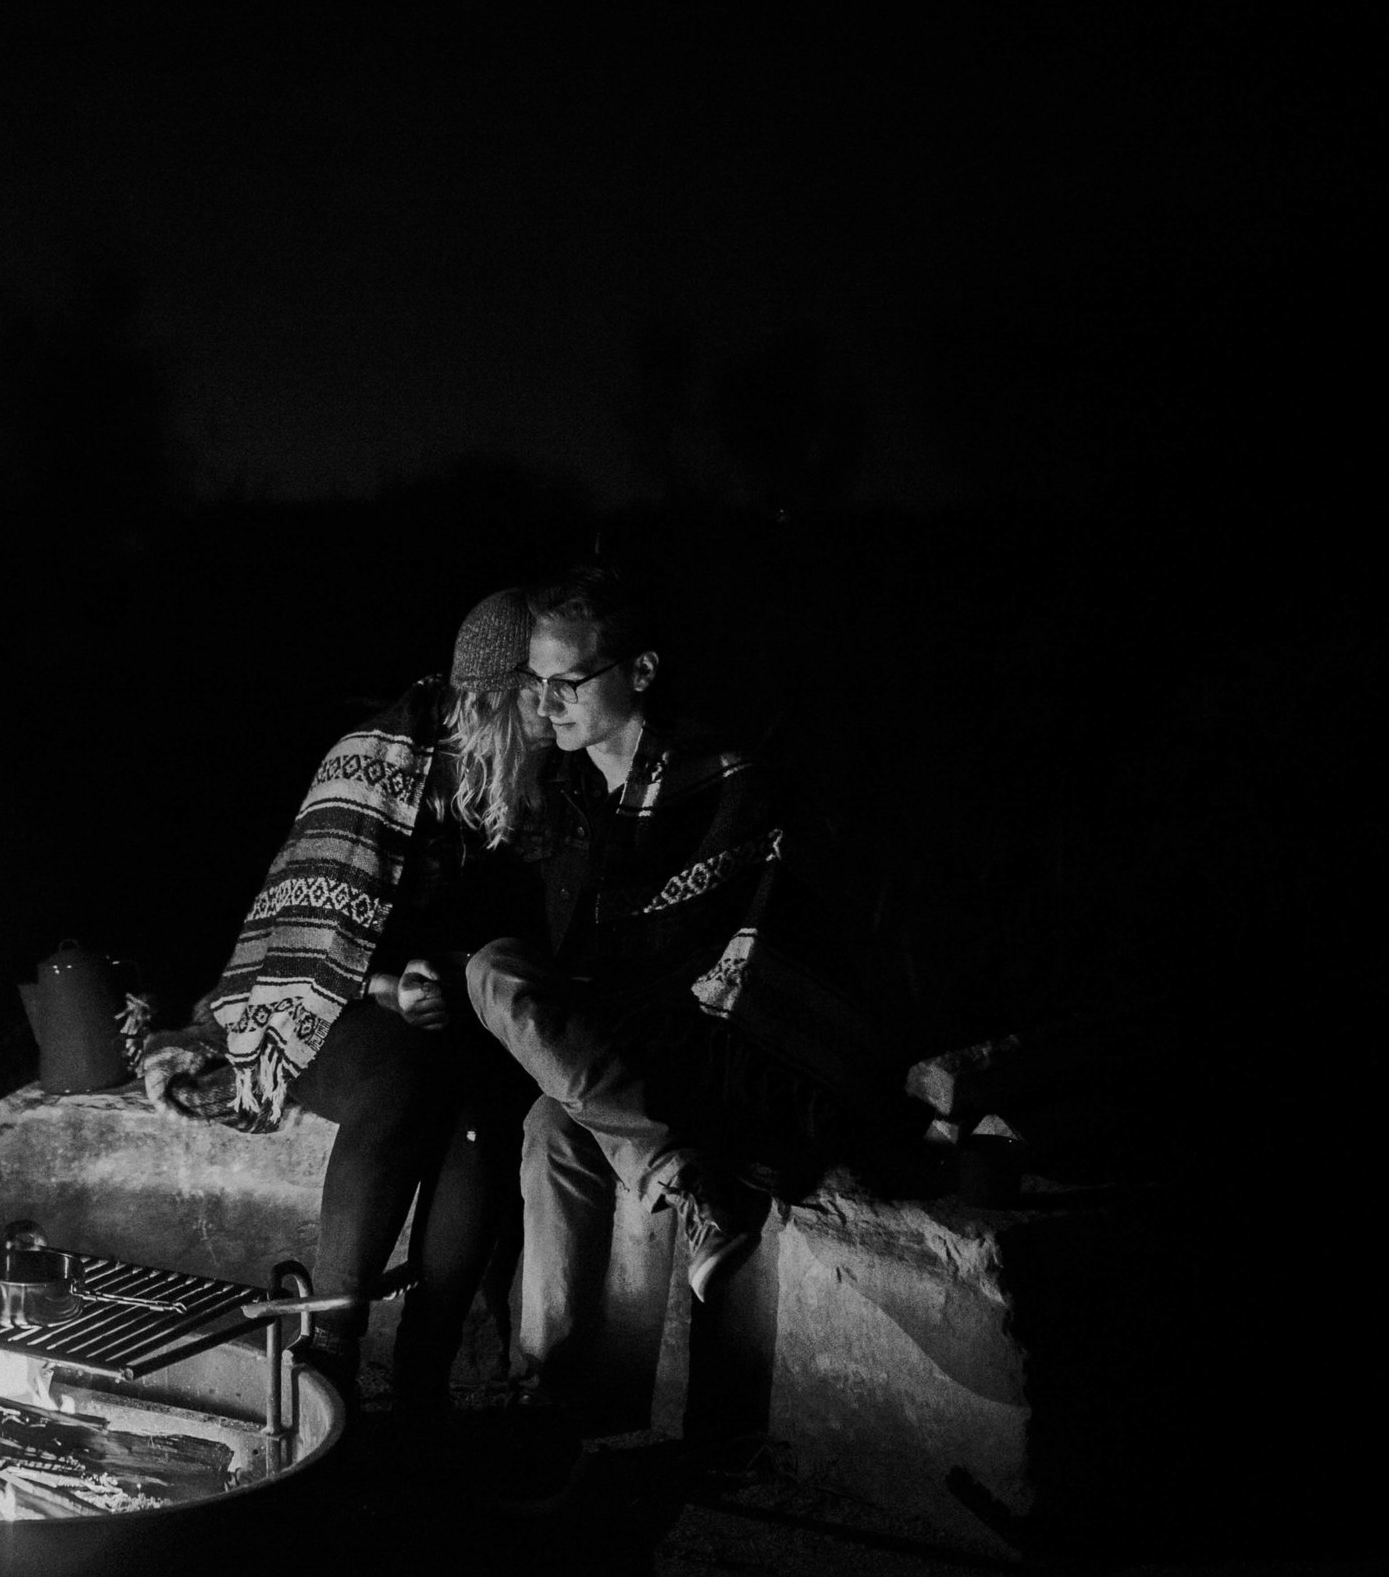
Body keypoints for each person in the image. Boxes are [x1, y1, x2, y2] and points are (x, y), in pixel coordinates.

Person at [465, 564, 893, 1411]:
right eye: (537, 685)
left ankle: (552, 1383)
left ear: (643, 672)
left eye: (570, 683)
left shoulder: (720, 781)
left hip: (716, 1043)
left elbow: (742, 953)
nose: (548, 706)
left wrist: (605, 1012)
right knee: (529, 1068)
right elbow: (576, 957)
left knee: (544, 1090)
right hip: (629, 1049)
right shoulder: (577, 793)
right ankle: (553, 1391)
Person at [138, 590, 553, 1410]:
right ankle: (330, 1350)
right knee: (406, 1074)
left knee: (482, 1103)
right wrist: (388, 984)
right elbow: (300, 933)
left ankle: (423, 1373)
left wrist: (450, 977)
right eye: (539, 686)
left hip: (458, 1004)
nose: (558, 699)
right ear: (494, 697)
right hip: (330, 1005)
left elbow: (527, 932)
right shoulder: (376, 758)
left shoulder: (546, 774)